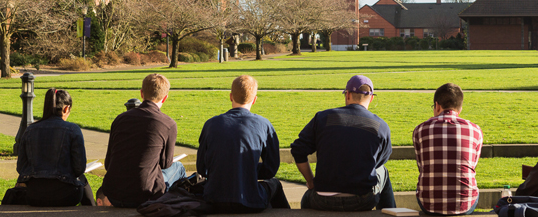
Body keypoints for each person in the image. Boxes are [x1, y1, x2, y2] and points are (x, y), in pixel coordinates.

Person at [290, 75, 395, 211]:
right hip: (362, 199)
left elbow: (298, 149)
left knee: (307, 198)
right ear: (372, 98)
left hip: (322, 199)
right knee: (383, 171)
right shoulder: (380, 126)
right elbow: (380, 162)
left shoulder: (323, 118)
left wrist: (311, 181)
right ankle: (390, 212)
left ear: (348, 95)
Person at [197, 75, 290, 213]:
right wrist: (246, 169)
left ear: (230, 96)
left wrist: (236, 167)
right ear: (254, 100)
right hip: (251, 200)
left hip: (214, 199)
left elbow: (201, 167)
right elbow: (270, 169)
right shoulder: (264, 125)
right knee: (275, 184)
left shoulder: (211, 124)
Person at [98, 73, 186, 208]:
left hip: (114, 193)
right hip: (145, 194)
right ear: (165, 98)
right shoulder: (168, 124)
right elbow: (165, 163)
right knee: (178, 167)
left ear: (141, 93)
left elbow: (109, 161)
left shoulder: (120, 119)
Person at [16, 88, 94, 206]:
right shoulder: (72, 129)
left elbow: (21, 167)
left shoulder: (30, 130)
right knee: (82, 180)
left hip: (34, 195)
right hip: (66, 195)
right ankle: (92, 210)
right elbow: (79, 168)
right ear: (66, 108)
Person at [413, 83, 482, 216]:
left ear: (437, 105)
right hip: (465, 203)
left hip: (428, 203)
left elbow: (422, 166)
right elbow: (472, 166)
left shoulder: (420, 129)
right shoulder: (475, 130)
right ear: (459, 108)